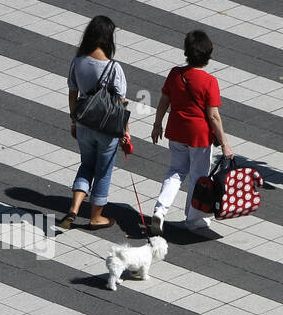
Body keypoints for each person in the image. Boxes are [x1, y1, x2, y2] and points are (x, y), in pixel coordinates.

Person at [149, 30, 232, 237]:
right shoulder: (209, 81)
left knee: (175, 172)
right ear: (208, 55)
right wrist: (224, 143)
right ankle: (194, 220)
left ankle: (160, 209)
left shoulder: (175, 74)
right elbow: (213, 116)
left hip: (176, 131)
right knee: (198, 176)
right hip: (199, 136)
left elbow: (163, 102)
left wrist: (157, 124)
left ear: (187, 52)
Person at [61, 15, 129, 230]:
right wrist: (125, 132)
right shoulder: (113, 68)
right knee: (103, 170)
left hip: (83, 123)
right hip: (107, 127)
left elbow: (73, 92)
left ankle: (73, 208)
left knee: (86, 164)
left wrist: (73, 120)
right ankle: (96, 217)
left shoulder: (77, 61)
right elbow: (121, 103)